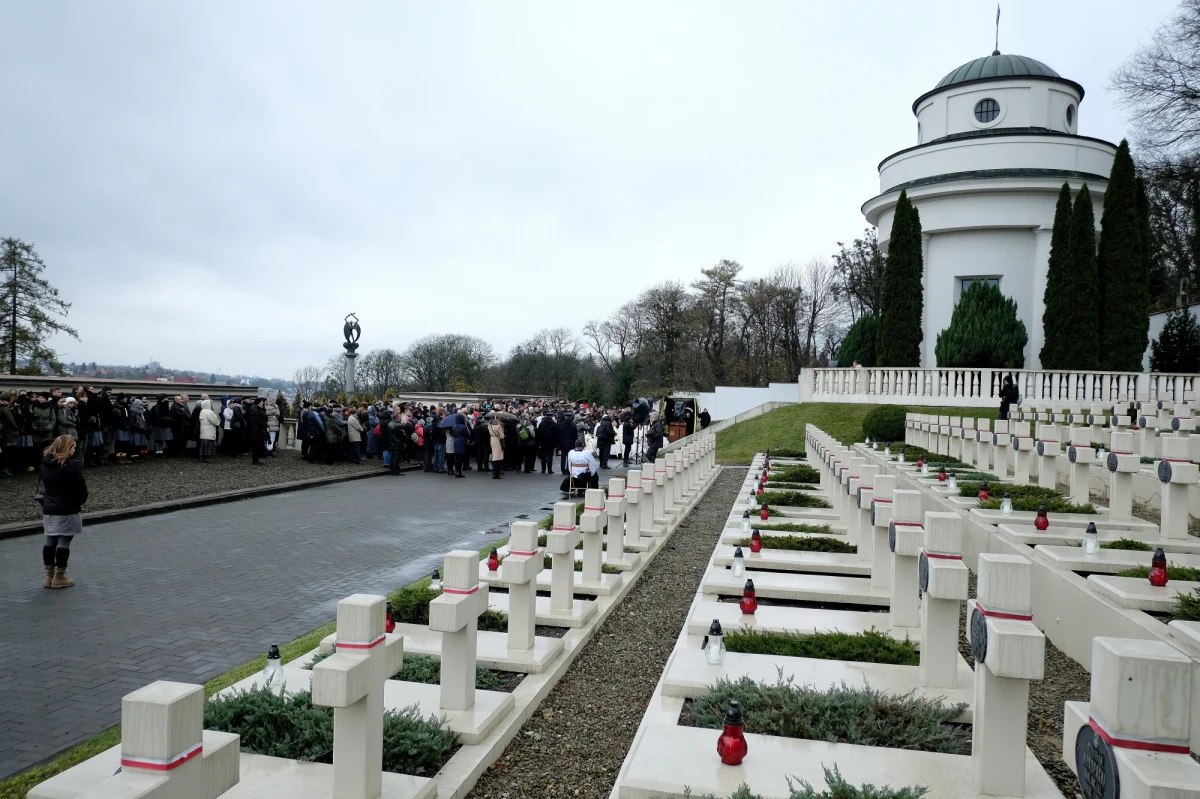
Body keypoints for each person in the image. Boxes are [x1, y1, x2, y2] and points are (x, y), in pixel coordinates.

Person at [39, 435, 88, 589]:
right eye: (73, 447)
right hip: (67, 508)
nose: (74, 450)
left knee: (50, 540)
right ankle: (59, 576)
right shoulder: (71, 467)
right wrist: (79, 501)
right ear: (67, 448)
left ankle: (49, 576)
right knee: (64, 542)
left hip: (49, 508)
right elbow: (81, 490)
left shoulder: (45, 464)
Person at [247, 398, 269, 465]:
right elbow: (261, 421)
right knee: (256, 446)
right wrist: (265, 428)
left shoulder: (255, 410)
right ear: (258, 403)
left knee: (256, 445)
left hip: (255, 430)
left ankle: (255, 459)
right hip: (256, 431)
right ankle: (255, 460)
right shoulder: (257, 411)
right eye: (261, 402)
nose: (263, 403)